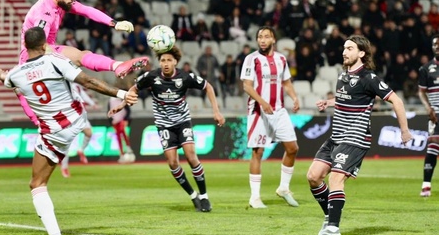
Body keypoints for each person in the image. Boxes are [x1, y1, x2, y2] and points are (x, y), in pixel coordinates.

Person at [0, 27, 138, 235]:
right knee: (56, 154)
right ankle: (77, 153)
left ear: (26, 49)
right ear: (45, 45)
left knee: (37, 184)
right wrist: (121, 94)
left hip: (55, 132)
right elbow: (88, 81)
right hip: (77, 120)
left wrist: (0, 74)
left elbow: (9, 80)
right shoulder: (55, 61)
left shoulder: (17, 73)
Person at [307, 35, 412, 235]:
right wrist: (329, 102)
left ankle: (333, 230)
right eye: (344, 48)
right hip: (337, 135)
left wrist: (405, 130)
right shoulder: (342, 75)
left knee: (335, 177)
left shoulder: (369, 78)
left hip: (355, 137)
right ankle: (330, 217)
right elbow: (348, 97)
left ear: (361, 53)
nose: (344, 52)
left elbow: (396, 101)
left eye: (350, 48)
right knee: (313, 176)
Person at [16, 0, 149, 125]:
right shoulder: (44, 13)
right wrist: (62, 64)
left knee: (82, 58)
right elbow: (38, 46)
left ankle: (117, 66)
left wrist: (114, 23)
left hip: (45, 51)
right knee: (82, 69)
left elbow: (86, 10)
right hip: (35, 56)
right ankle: (40, 121)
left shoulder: (60, 1)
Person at [112, 46, 225, 211]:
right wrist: (121, 104)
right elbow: (134, 89)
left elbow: (208, 87)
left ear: (175, 62)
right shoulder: (151, 77)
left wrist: (216, 111)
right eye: (163, 60)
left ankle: (204, 196)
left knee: (191, 157)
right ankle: (193, 195)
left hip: (182, 122)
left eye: (169, 60)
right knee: (173, 163)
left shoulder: (185, 77)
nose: (165, 63)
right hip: (164, 124)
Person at [241, 26, 301, 209]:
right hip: (259, 111)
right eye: (260, 37)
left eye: (266, 37)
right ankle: (255, 197)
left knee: (292, 148)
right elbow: (247, 86)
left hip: (279, 110)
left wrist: (294, 97)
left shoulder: (281, 59)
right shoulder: (252, 59)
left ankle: (283, 188)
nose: (262, 40)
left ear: (273, 39)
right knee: (258, 152)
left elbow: (286, 83)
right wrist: (262, 102)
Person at [59, 83, 97, 177]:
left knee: (89, 133)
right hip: (68, 116)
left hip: (79, 114)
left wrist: (92, 103)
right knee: (66, 143)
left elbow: (83, 94)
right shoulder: (60, 85)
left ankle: (81, 150)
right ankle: (64, 167)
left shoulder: (76, 85)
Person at [418, 35, 439, 197]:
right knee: (433, 146)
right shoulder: (426, 69)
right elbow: (421, 92)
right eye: (435, 44)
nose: (437, 46)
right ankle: (426, 185)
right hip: (436, 115)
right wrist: (428, 108)